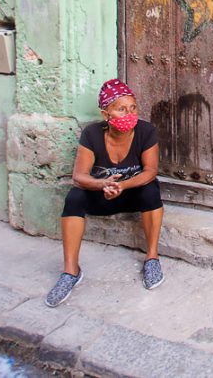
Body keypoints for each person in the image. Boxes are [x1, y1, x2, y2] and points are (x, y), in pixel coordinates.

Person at [45, 78, 165, 307]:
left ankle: (152, 258)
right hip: (103, 194)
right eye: (121, 109)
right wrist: (103, 185)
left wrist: (123, 185)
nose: (129, 114)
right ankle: (71, 271)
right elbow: (79, 176)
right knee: (74, 198)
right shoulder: (91, 135)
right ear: (105, 114)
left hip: (131, 194)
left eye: (133, 108)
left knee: (151, 190)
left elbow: (150, 171)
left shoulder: (146, 131)